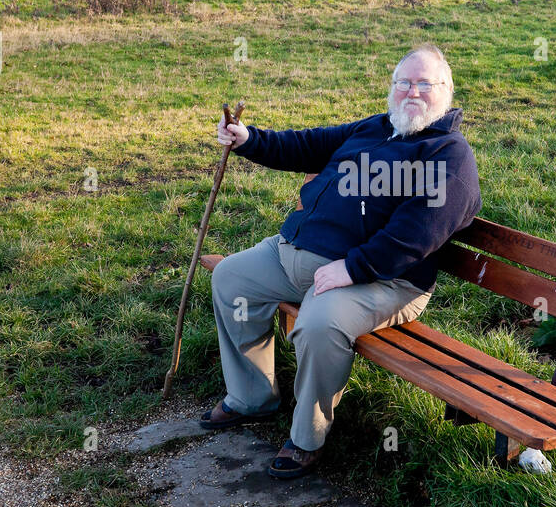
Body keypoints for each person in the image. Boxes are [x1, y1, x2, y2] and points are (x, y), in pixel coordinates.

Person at [205, 44, 482, 478]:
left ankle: (307, 438)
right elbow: (308, 145)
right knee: (230, 278)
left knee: (318, 325)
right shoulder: (376, 128)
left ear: (446, 91)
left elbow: (416, 235)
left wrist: (351, 268)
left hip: (384, 279)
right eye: (404, 82)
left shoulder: (448, 155)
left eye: (425, 84)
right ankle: (253, 398)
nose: (412, 92)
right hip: (297, 256)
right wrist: (251, 140)